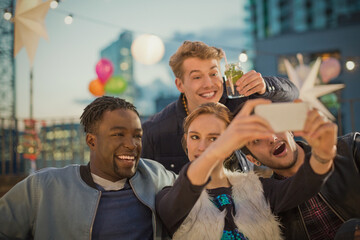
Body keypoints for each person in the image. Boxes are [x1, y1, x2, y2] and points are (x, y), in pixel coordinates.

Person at [0, 96, 176, 240]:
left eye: (137, 136)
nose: (132, 145)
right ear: (92, 141)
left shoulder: (156, 175)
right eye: (118, 134)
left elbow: (197, 191)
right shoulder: (43, 187)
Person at [156, 99, 334, 240]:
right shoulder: (169, 195)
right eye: (195, 137)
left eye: (213, 138)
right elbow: (185, 189)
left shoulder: (258, 187)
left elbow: (305, 183)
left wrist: (324, 153)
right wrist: (215, 151)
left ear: (233, 144)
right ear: (186, 140)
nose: (202, 147)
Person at [141, 40, 299, 173]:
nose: (209, 84)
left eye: (213, 73)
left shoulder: (241, 97)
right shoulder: (155, 131)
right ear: (180, 84)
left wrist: (265, 86)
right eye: (197, 77)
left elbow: (292, 93)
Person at [241, 106, 360, 239]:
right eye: (257, 140)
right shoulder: (267, 204)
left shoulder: (351, 149)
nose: (271, 138)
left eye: (274, 127)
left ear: (290, 130)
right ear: (252, 160)